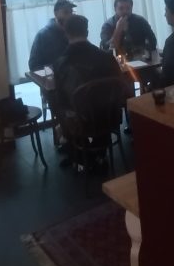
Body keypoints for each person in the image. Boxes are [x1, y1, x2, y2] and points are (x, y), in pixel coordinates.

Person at [52, 15, 124, 168]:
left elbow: (61, 100)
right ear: (87, 32)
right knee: (99, 104)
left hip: (81, 121)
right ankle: (99, 154)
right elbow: (120, 86)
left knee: (63, 109)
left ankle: (79, 156)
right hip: (110, 117)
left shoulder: (61, 63)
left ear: (66, 33)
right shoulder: (106, 58)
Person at [28, 0, 76, 73]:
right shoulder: (42, 35)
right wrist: (53, 71)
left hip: (73, 77)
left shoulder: (74, 32)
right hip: (53, 78)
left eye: (71, 12)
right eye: (66, 12)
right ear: (56, 13)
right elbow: (33, 65)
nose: (70, 16)